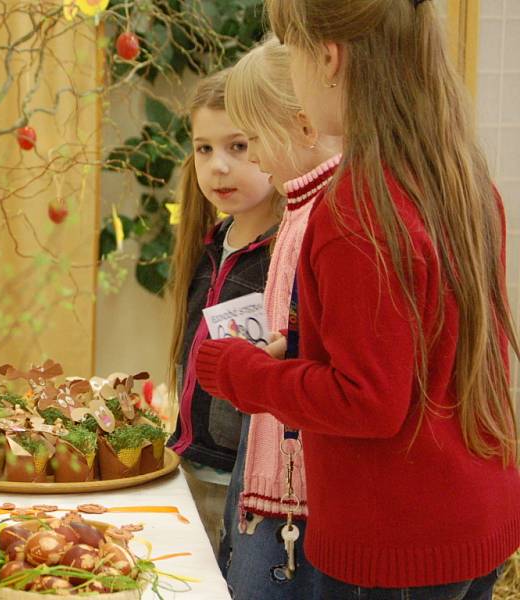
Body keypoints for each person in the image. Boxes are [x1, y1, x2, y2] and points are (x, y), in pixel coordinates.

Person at [196, 1, 520, 597]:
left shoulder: (358, 210)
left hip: (397, 543)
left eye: (290, 53)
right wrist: (298, 347)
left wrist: (238, 369)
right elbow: (419, 346)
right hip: (477, 518)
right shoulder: (460, 176)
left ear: (327, 59)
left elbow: (366, 400)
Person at [217, 34, 343, 599]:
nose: (255, 159)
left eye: (250, 142)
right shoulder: (299, 208)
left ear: (305, 127)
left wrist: (251, 368)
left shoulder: (328, 218)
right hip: (269, 459)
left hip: (298, 489)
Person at [167, 70, 281, 554]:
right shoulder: (208, 244)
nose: (218, 167)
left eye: (237, 146)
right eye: (204, 149)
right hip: (188, 466)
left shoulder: (284, 254)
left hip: (246, 480)